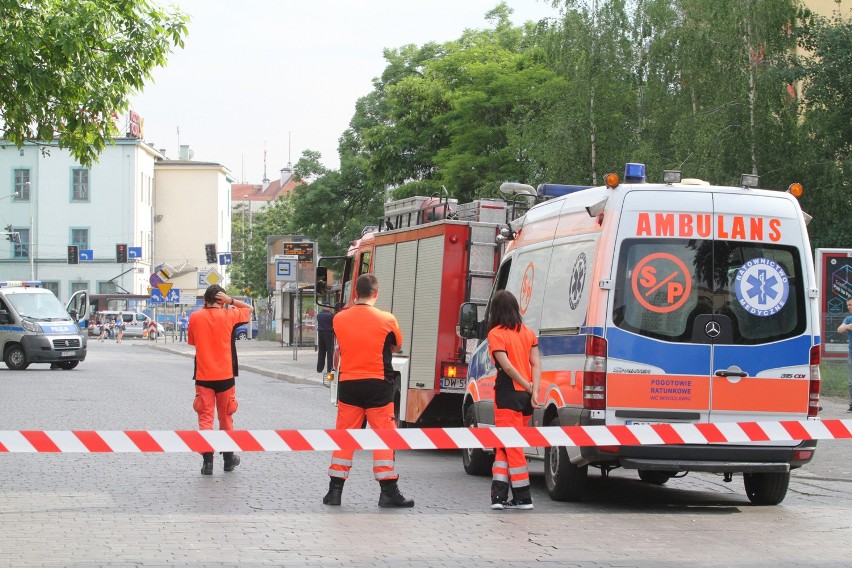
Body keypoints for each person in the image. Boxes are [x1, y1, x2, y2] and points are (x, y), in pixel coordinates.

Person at [323, 274, 414, 508]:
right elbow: (397, 345)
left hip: (349, 384)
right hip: (378, 384)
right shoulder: (387, 319)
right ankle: (388, 492)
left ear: (355, 292)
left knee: (345, 436)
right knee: (385, 436)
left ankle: (334, 491)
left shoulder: (340, 319)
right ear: (376, 293)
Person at [188, 284, 252, 474]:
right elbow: (249, 309)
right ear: (221, 301)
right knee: (226, 419)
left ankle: (207, 462)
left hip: (203, 376)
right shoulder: (229, 315)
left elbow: (192, 341)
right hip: (225, 376)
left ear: (205, 301)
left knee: (205, 419)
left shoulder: (195, 317)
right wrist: (231, 301)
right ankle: (228, 459)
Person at [487, 289, 541, 510]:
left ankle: (523, 496)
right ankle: (498, 498)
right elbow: (536, 364)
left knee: (512, 446)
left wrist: (525, 384)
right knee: (503, 446)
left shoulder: (496, 334)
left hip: (508, 394)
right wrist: (534, 390)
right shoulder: (528, 333)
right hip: (526, 399)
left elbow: (506, 366)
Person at [837, 297, 852, 412]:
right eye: (848, 305)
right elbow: (839, 330)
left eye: (851, 305)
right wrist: (847, 326)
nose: (849, 307)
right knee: (851, 380)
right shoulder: (848, 319)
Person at [316, 305, 335, 375]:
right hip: (328, 333)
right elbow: (333, 324)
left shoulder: (319, 315)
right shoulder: (331, 315)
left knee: (321, 351)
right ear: (327, 308)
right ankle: (329, 369)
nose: (330, 309)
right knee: (330, 351)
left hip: (320, 333)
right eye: (329, 307)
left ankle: (319, 368)